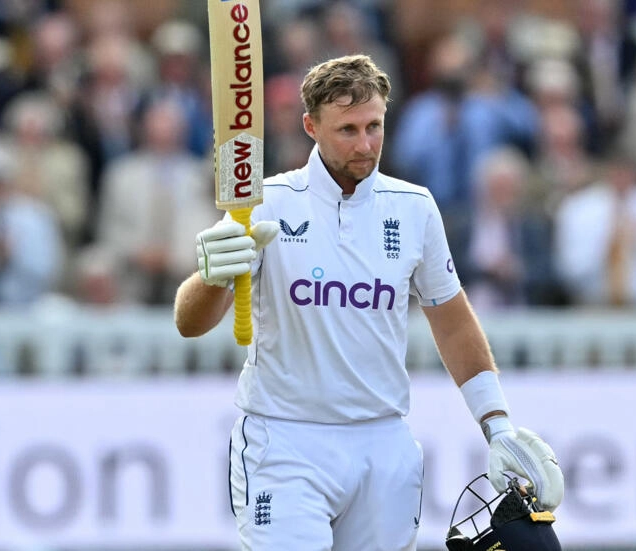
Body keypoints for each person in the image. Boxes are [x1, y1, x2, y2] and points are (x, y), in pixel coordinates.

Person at [173, 55, 563, 550]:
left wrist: (497, 424)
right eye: (348, 130)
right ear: (311, 126)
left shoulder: (414, 207)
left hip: (383, 443)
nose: (365, 145)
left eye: (374, 126)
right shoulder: (266, 202)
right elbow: (190, 323)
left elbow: (453, 323)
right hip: (284, 441)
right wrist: (211, 277)